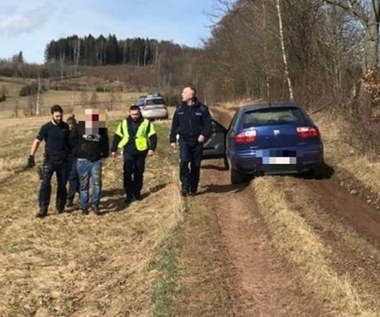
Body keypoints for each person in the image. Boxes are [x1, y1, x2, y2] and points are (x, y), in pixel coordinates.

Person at [27, 104, 70, 218]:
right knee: (45, 185)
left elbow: (71, 143)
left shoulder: (66, 127)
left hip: (63, 161)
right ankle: (43, 209)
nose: (59, 118)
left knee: (62, 185)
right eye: (57, 116)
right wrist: (31, 156)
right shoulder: (46, 127)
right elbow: (37, 141)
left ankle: (60, 207)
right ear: (52, 115)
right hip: (50, 161)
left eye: (60, 116)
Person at [169, 86, 212, 196]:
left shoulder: (202, 109)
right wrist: (172, 139)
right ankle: (185, 186)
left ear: (191, 95)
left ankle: (193, 187)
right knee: (184, 162)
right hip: (184, 141)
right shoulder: (179, 109)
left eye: (184, 92)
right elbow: (174, 125)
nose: (182, 94)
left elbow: (208, 125)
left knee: (195, 165)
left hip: (197, 142)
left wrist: (203, 134)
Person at [111, 105, 157, 204]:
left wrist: (152, 149)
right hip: (128, 150)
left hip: (141, 151)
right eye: (132, 114)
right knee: (127, 172)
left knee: (139, 172)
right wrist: (113, 149)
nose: (134, 116)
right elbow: (117, 136)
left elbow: (153, 136)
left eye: (136, 114)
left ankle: (137, 192)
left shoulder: (146, 123)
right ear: (129, 113)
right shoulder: (123, 123)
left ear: (139, 113)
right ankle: (128, 194)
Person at [71, 109, 109, 215]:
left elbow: (105, 141)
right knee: (84, 184)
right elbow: (71, 140)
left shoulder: (101, 128)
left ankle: (95, 205)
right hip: (82, 160)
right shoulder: (79, 127)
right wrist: (76, 151)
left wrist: (105, 154)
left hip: (96, 160)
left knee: (97, 183)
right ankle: (84, 206)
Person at [66, 115, 80, 207]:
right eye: (69, 125)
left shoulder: (78, 131)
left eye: (72, 124)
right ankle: (81, 193)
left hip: (77, 156)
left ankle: (70, 198)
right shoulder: (65, 132)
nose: (70, 126)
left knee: (73, 176)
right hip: (68, 157)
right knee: (73, 178)